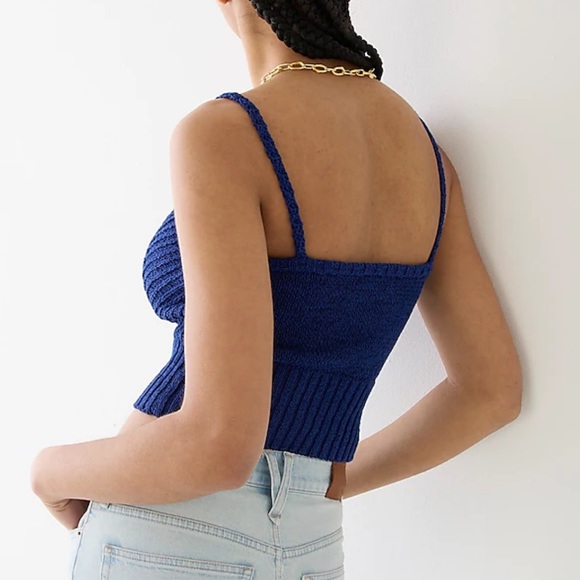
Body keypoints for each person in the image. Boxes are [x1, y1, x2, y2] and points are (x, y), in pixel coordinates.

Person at [30, 0, 523, 578]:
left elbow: (218, 445)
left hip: (170, 532)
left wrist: (49, 473)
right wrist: (323, 480)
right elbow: (490, 392)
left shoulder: (225, 134)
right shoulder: (428, 159)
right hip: (311, 541)